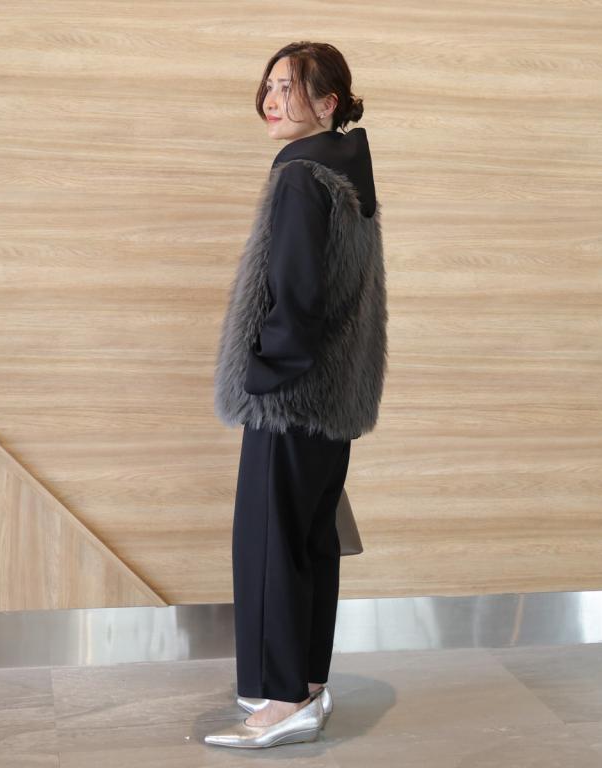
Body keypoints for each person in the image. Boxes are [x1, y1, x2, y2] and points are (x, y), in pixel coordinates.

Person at [207, 40, 388, 749]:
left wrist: (261, 375)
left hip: (289, 398)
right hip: (332, 401)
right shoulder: (348, 171)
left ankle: (280, 701)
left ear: (328, 102)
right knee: (311, 541)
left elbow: (298, 297)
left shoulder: (299, 177)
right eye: (270, 86)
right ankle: (307, 686)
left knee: (273, 545)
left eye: (289, 87)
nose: (272, 100)